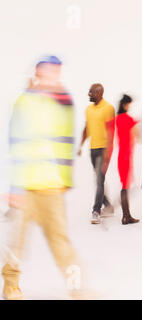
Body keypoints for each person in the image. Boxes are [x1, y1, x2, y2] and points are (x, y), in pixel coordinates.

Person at [2, 55, 85, 299]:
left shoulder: (64, 101)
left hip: (52, 186)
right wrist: (12, 186)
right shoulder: (25, 101)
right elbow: (13, 142)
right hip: (24, 186)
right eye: (49, 71)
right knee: (16, 242)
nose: (54, 76)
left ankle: (77, 289)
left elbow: (64, 142)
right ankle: (10, 286)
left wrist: (65, 179)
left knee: (61, 242)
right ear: (38, 73)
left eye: (57, 71)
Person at [78, 83, 115, 224]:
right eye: (89, 92)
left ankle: (96, 211)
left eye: (91, 92)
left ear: (99, 93)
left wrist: (108, 150)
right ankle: (109, 206)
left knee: (99, 180)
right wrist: (80, 145)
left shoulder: (108, 108)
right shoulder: (88, 109)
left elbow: (111, 131)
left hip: (104, 149)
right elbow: (86, 128)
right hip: (93, 149)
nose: (89, 94)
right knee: (99, 180)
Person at [115, 94, 140, 225]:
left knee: (125, 186)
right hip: (126, 156)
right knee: (125, 186)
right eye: (129, 104)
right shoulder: (128, 119)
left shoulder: (117, 118)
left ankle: (127, 215)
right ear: (125, 105)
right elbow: (138, 134)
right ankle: (126, 216)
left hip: (121, 155)